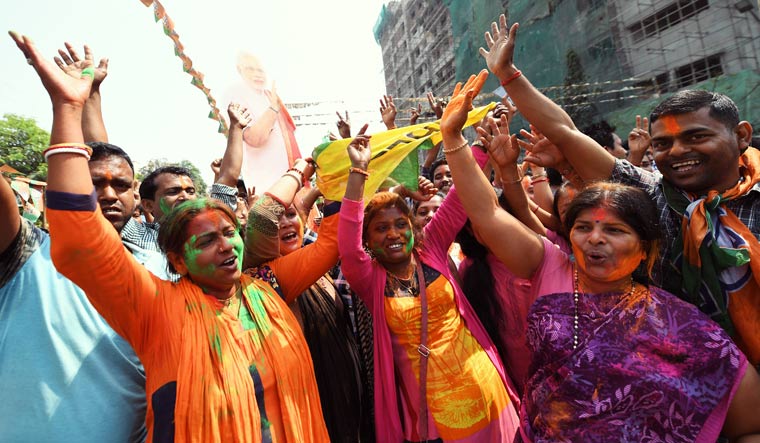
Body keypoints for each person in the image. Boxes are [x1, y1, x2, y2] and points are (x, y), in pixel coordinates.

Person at [439, 31, 760, 441]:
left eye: (613, 230)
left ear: (647, 247)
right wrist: (467, 123)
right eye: (583, 227)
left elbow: (749, 423)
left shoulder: (686, 328)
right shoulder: (641, 205)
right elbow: (556, 142)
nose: (595, 240)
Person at [12, 32, 331, 442]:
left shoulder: (269, 290)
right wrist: (68, 109)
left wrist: (348, 175)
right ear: (177, 261)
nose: (226, 247)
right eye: (205, 242)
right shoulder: (157, 308)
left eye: (230, 233)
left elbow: (331, 241)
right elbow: (82, 240)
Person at [482, 12, 760, 365]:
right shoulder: (654, 197)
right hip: (688, 386)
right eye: (663, 144)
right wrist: (508, 75)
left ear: (741, 136)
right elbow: (567, 134)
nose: (677, 152)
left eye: (696, 137)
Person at [338, 124, 521, 442]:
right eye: (381, 228)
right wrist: (358, 171)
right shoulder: (368, 278)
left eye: (400, 224)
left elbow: (457, 198)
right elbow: (347, 244)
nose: (393, 234)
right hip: (432, 415)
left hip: (487, 391)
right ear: (368, 239)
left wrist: (477, 145)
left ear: (413, 227)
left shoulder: (431, 247)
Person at [245, 192, 375, 443]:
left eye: (291, 215)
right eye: (275, 222)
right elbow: (263, 217)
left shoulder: (317, 270)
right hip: (315, 411)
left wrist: (318, 189)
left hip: (350, 405)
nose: (284, 223)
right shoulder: (265, 281)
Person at [224, 52, 301, 190]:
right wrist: (273, 108)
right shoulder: (236, 93)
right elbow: (255, 138)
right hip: (267, 186)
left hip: (291, 178)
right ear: (239, 70)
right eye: (250, 69)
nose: (257, 74)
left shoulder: (268, 95)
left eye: (260, 70)